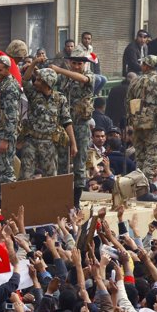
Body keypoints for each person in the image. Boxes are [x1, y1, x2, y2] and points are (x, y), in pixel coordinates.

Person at [51, 47, 96, 207]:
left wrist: (60, 70)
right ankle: (63, 198)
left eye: (80, 64)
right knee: (62, 162)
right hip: (64, 126)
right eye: (74, 63)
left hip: (81, 125)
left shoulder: (89, 76)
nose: (77, 66)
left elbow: (82, 80)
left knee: (79, 163)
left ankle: (76, 201)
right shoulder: (64, 78)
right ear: (70, 62)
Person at [19, 67, 73, 180]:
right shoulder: (32, 94)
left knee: (50, 177)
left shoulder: (60, 99)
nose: (36, 82)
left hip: (49, 143)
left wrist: (74, 143)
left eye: (39, 80)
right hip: (31, 141)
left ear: (47, 83)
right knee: (25, 176)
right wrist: (34, 63)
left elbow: (67, 121)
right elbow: (24, 80)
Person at [125, 55, 157, 182]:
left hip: (136, 121)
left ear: (146, 65)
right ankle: (145, 187)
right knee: (152, 157)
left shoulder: (134, 81)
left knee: (140, 157)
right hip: (154, 123)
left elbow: (128, 102)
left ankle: (137, 184)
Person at [0, 55, 21, 206]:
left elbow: (11, 115)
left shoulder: (10, 87)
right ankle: (0, 203)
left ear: (8, 69)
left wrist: (6, 139)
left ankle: (10, 203)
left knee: (6, 171)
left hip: (5, 134)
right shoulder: (3, 84)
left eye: (0, 69)